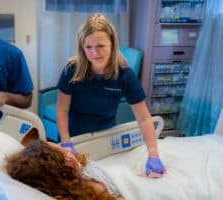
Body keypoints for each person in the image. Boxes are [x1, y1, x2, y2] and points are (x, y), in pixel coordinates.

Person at [56, 13, 165, 177]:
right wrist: (66, 142)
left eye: (100, 46)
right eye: (88, 47)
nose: (94, 53)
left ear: (113, 44)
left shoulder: (125, 75)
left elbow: (144, 118)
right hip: (73, 138)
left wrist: (153, 155)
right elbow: (62, 110)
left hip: (105, 139)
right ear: (82, 47)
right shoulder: (72, 70)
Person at [5, 139, 122, 200]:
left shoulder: (65, 187)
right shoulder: (96, 189)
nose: (69, 153)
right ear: (62, 173)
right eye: (64, 153)